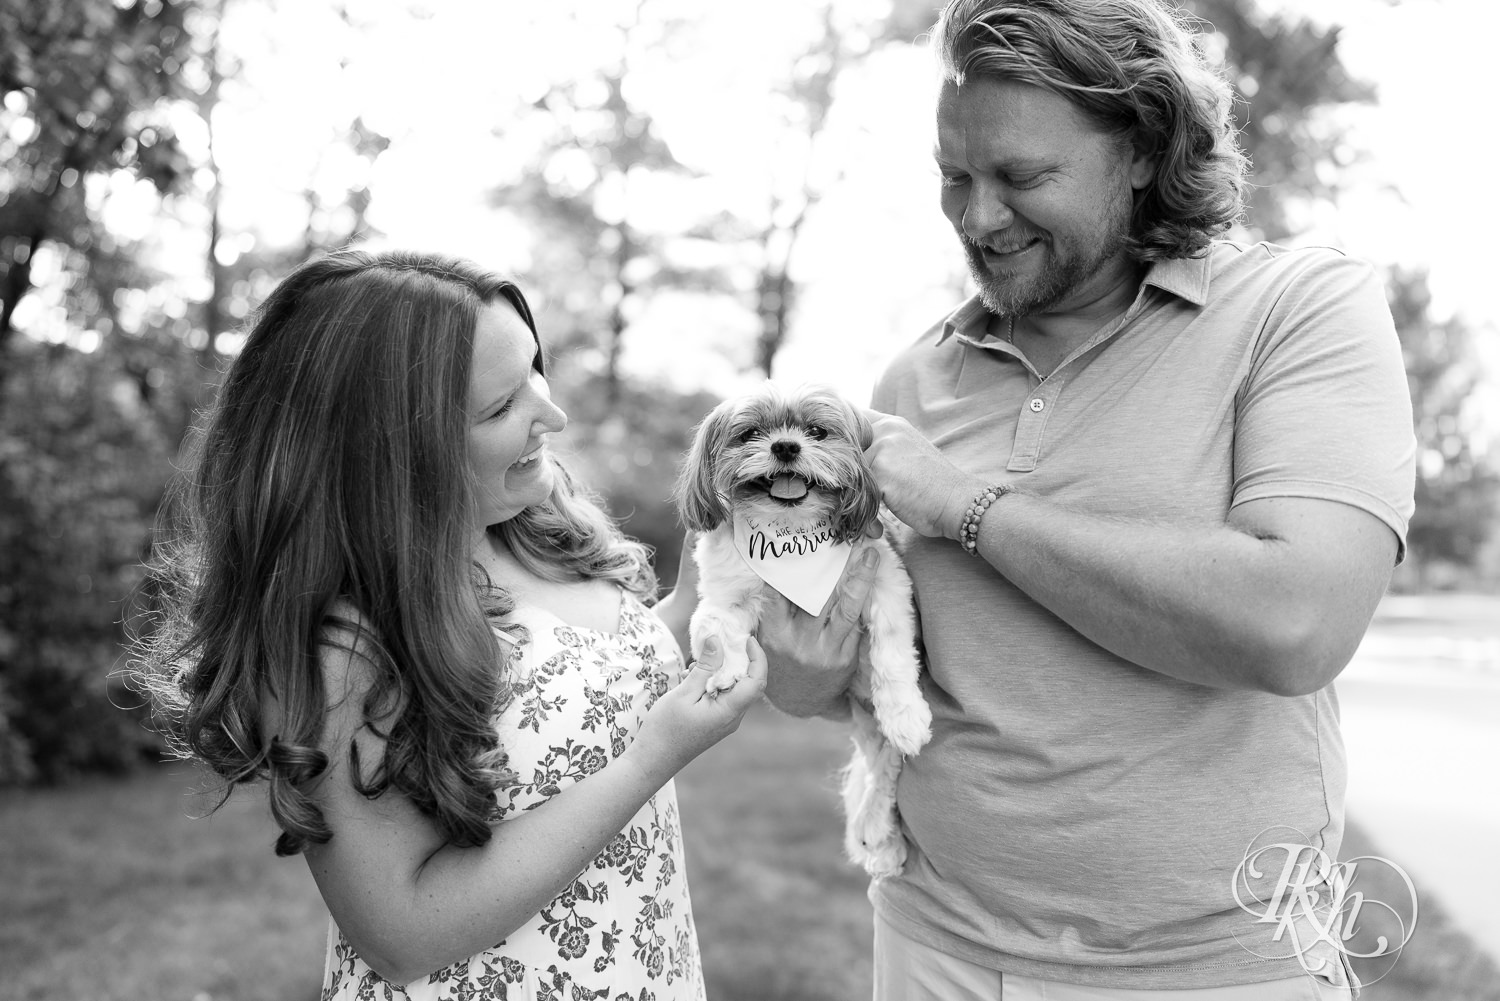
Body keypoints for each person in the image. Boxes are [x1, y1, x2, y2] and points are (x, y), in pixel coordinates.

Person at [761, 0, 1417, 998]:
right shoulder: (912, 381)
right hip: (935, 945)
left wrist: (968, 508)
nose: (979, 218)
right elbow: (823, 666)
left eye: (1022, 177)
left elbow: (1295, 623)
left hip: (1215, 968)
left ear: (1144, 150)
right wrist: (799, 655)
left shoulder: (1300, 309)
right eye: (954, 176)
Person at [128, 248, 765, 1000]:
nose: (552, 416)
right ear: (394, 452)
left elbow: (589, 692)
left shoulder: (531, 522)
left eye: (535, 371)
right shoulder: (341, 645)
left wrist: (707, 592)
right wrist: (654, 758)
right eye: (501, 407)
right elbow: (399, 935)